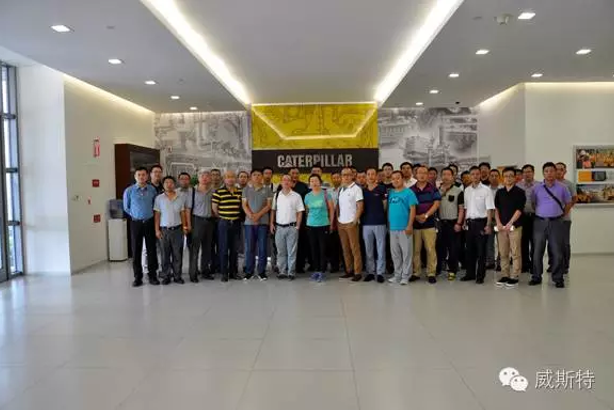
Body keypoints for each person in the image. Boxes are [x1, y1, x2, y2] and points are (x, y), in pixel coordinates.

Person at [530, 162, 572, 288]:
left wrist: (561, 214)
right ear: (543, 173)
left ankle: (558, 278)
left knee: (557, 252)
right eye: (546, 171)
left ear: (556, 172)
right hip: (540, 222)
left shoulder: (562, 187)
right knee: (537, 251)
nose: (549, 173)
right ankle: (536, 277)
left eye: (552, 171)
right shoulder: (536, 188)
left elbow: (568, 203)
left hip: (556, 222)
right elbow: (533, 203)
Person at [123, 167, 160, 287]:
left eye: (143, 175)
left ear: (147, 176)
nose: (141, 177)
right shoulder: (129, 190)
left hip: (150, 222)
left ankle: (152, 275)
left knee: (151, 250)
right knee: (136, 250)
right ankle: (137, 277)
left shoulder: (152, 189)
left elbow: (155, 205)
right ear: (135, 177)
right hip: (136, 223)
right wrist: (136, 215)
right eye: (139, 175)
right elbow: (126, 207)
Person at [461, 166, 495, 284]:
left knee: (481, 251)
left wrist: (488, 225)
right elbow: (466, 208)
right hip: (469, 223)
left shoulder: (486, 190)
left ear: (480, 175)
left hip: (481, 223)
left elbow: (490, 209)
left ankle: (480, 276)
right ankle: (470, 274)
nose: (475, 176)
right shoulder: (467, 190)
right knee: (469, 250)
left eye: (477, 174)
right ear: (470, 176)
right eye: (473, 174)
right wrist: (464, 222)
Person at [408, 165, 441, 283]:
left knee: (430, 249)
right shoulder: (410, 190)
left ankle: (431, 273)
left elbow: (436, 204)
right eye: (420, 173)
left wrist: (426, 215)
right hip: (415, 224)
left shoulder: (433, 189)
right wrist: (416, 217)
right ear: (415, 175)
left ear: (427, 175)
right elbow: (408, 206)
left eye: (424, 173)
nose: (422, 175)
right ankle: (416, 272)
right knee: (415, 250)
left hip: (429, 224)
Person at [154, 176, 189, 285]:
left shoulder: (180, 197)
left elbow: (182, 213)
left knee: (177, 254)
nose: (169, 184)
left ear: (174, 184)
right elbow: (157, 215)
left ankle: (177, 276)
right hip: (164, 230)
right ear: (163, 185)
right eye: (166, 182)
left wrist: (184, 227)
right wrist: (157, 230)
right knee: (165, 254)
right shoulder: (159, 198)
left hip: (178, 230)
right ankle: (166, 276)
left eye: (171, 182)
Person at [494, 167, 525, 288]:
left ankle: (515, 275)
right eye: (506, 176)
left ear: (515, 177)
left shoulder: (520, 192)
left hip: (514, 227)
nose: (508, 178)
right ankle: (505, 275)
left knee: (515, 252)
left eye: (511, 176)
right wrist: (498, 223)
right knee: (503, 252)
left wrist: (510, 223)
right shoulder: (499, 192)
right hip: (501, 227)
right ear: (503, 178)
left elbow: (519, 210)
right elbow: (496, 209)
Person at [270, 174, 304, 280]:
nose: (286, 182)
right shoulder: (277, 195)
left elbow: (300, 212)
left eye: (288, 180)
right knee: (281, 251)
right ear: (281, 182)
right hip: (279, 228)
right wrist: (271, 223)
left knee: (292, 251)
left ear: (292, 183)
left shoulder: (296, 196)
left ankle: (291, 272)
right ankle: (282, 271)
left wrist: (298, 226)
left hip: (292, 227)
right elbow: (273, 210)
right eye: (284, 180)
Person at [388, 171, 418, 285]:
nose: (395, 180)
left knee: (406, 253)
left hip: (405, 228)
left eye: (398, 178)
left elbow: (413, 210)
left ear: (402, 179)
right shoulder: (391, 193)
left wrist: (409, 225)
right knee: (395, 254)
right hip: (393, 228)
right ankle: (397, 275)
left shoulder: (409, 192)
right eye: (393, 179)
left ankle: (406, 276)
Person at [212, 170, 243, 282]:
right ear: (224, 179)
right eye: (228, 177)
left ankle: (233, 272)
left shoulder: (240, 192)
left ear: (235, 179)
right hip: (224, 223)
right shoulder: (218, 192)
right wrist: (224, 217)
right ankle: (224, 273)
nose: (230, 179)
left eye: (232, 177)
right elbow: (214, 209)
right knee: (223, 248)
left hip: (236, 223)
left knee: (235, 249)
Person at [242, 169, 272, 281]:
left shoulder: (267, 189)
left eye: (259, 175)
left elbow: (268, 205)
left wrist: (258, 215)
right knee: (250, 247)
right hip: (249, 223)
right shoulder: (246, 189)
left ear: (262, 177)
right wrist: (251, 216)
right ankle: (249, 271)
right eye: (254, 175)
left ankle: (261, 271)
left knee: (262, 248)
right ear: (251, 177)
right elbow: (244, 205)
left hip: (263, 222)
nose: (257, 177)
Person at [304, 174, 334, 282]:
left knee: (323, 249)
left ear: (320, 182)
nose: (314, 183)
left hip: (323, 225)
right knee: (313, 249)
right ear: (309, 183)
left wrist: (331, 223)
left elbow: (331, 209)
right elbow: (307, 211)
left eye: (316, 181)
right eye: (312, 181)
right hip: (311, 225)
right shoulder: (307, 196)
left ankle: (322, 271)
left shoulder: (326, 194)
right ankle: (316, 270)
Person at [436, 167, 464, 281]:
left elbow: (461, 209)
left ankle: (453, 270)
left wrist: (459, 223)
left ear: (453, 177)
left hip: (453, 223)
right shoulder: (437, 190)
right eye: (444, 174)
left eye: (448, 174)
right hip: (440, 224)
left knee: (453, 248)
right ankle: (438, 268)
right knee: (439, 247)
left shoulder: (458, 191)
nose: (446, 177)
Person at [361, 167, 387, 283]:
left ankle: (380, 272)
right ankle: (370, 272)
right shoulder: (362, 191)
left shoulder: (381, 188)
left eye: (373, 174)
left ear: (376, 176)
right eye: (368, 174)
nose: (371, 176)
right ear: (366, 176)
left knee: (381, 248)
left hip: (380, 222)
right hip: (366, 223)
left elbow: (385, 206)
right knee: (368, 249)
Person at [337, 166, 364, 281]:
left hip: (351, 223)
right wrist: (338, 219)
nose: (346, 177)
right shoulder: (341, 189)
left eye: (348, 175)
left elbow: (360, 206)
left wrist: (355, 220)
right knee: (345, 248)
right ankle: (349, 270)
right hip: (341, 223)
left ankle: (357, 272)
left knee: (355, 248)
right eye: (344, 175)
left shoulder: (356, 189)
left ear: (352, 176)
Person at [550, 162, 577, 275]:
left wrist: (564, 212)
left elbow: (574, 199)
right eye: (556, 169)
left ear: (565, 171)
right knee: (552, 242)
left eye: (561, 169)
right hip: (551, 219)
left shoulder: (569, 184)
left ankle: (565, 265)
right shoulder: (550, 184)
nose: (559, 171)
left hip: (565, 219)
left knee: (565, 243)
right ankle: (553, 264)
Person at [189, 170, 216, 282]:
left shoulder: (214, 191)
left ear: (210, 178)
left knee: (207, 248)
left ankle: (205, 271)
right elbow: (188, 209)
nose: (204, 178)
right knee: (195, 248)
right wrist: (188, 224)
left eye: (207, 176)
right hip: (197, 221)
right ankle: (193, 273)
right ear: (198, 178)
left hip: (210, 221)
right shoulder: (192, 191)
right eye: (202, 176)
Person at [142, 164, 164, 276]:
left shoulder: (164, 187)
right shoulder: (146, 187)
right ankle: (147, 269)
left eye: (159, 172)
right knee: (147, 247)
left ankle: (161, 269)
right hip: (149, 220)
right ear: (150, 174)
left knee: (161, 247)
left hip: (162, 221)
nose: (157, 174)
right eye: (155, 172)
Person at [517, 164, 537, 274]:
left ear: (533, 173)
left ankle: (534, 264)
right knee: (523, 241)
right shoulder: (518, 186)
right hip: (522, 217)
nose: (527, 174)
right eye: (525, 172)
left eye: (529, 172)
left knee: (535, 242)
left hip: (536, 217)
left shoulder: (539, 185)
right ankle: (525, 264)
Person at [262, 166, 278, 274]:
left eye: (269, 173)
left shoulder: (276, 187)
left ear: (272, 175)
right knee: (262, 242)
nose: (268, 175)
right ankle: (261, 265)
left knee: (274, 243)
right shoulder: (258, 187)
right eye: (266, 173)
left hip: (274, 218)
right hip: (262, 217)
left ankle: (274, 264)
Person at [486, 169, 502, 270]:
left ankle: (500, 262)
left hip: (500, 220)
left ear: (499, 177)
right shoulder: (485, 189)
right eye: (492, 176)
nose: (494, 177)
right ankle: (490, 262)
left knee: (501, 242)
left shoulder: (503, 189)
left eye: (496, 175)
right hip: (489, 219)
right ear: (489, 177)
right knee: (489, 242)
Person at [177, 172, 194, 267]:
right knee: (178, 248)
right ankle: (177, 269)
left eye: (186, 179)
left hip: (193, 221)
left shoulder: (194, 191)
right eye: (182, 179)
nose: (184, 181)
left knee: (192, 247)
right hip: (179, 222)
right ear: (179, 180)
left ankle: (193, 268)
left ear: (189, 180)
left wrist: (189, 224)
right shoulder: (175, 192)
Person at [328, 171, 343, 273]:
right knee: (333, 244)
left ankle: (346, 266)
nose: (336, 179)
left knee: (344, 244)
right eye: (334, 178)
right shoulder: (328, 191)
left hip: (344, 218)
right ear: (331, 179)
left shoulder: (345, 189)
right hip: (332, 219)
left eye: (338, 177)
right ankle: (334, 266)